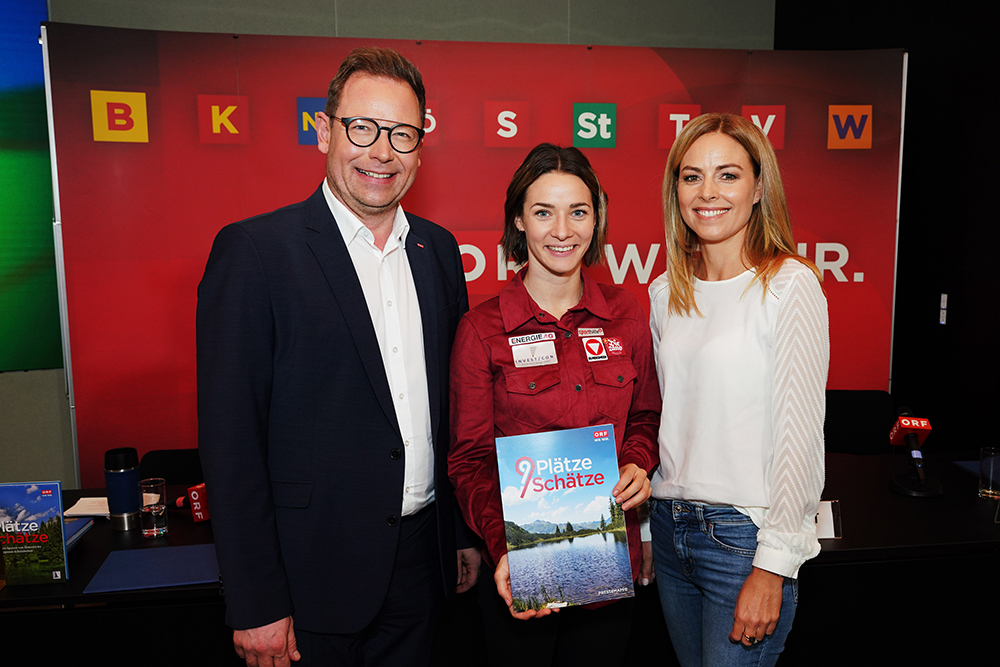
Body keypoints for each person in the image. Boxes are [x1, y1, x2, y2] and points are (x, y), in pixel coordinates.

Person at [197, 46, 480, 667]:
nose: (382, 151)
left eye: (402, 134)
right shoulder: (255, 253)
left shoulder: (437, 252)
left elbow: (452, 416)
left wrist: (458, 536)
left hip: (422, 570)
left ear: (420, 147)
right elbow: (230, 442)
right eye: (363, 128)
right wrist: (254, 599)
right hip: (307, 581)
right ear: (325, 130)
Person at [448, 143, 660, 665]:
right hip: (521, 571)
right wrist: (506, 548)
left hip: (610, 568)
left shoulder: (626, 315)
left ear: (596, 221)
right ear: (519, 219)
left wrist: (637, 461)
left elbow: (646, 417)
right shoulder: (483, 331)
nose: (562, 230)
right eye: (544, 211)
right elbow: (469, 461)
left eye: (578, 212)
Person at [647, 112, 828, 667]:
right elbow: (669, 422)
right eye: (691, 175)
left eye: (728, 175)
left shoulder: (790, 285)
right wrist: (651, 536)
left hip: (743, 541)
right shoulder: (662, 293)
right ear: (675, 189)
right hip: (669, 528)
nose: (707, 192)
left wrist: (774, 565)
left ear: (758, 188)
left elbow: (800, 439)